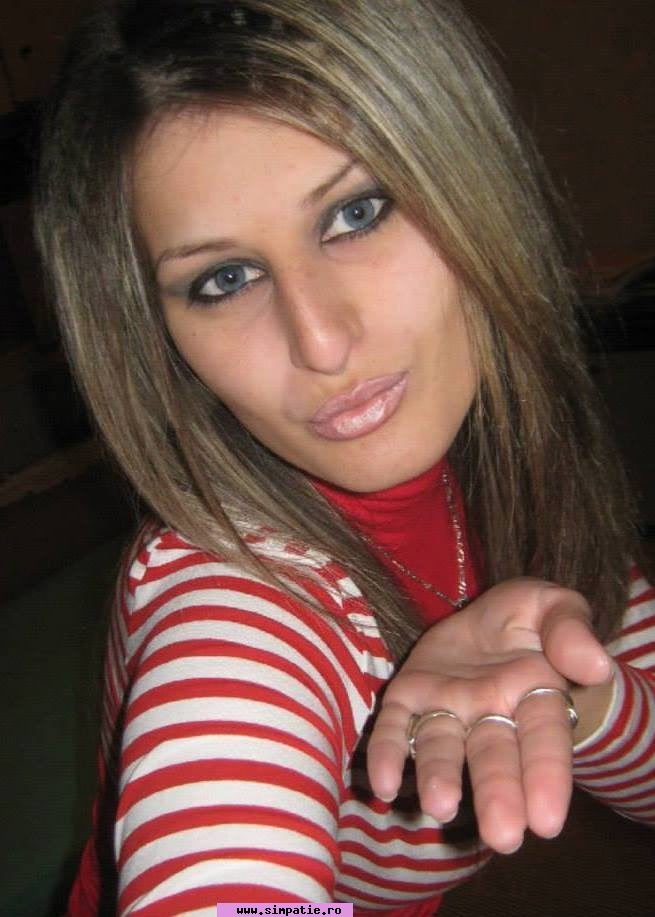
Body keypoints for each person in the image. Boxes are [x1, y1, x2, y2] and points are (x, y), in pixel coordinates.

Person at [35, 1, 654, 914]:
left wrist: (574, 691)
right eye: (224, 279)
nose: (321, 342)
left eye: (355, 214)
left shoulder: (519, 473)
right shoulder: (230, 593)